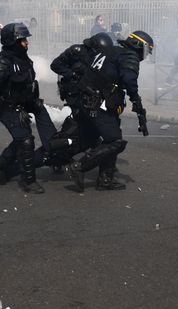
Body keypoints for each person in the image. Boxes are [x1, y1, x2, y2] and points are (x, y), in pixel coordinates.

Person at [66, 30, 154, 192]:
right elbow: (129, 80)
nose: (146, 55)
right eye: (147, 50)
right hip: (98, 103)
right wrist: (136, 100)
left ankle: (106, 179)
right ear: (139, 45)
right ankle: (79, 166)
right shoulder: (130, 56)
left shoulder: (111, 50)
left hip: (86, 100)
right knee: (114, 141)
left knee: (109, 137)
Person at [0, 22, 58, 194]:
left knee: (33, 128)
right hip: (7, 106)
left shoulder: (23, 59)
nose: (27, 42)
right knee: (25, 140)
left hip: (24, 101)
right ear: (13, 41)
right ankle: (28, 181)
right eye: (23, 40)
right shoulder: (3, 62)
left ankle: (54, 151)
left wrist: (33, 102)